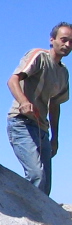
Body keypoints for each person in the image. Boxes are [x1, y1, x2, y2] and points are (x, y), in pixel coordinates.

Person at [6, 22, 72, 195]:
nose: (67, 45)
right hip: (22, 123)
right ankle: (23, 210)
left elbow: (55, 105)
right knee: (36, 175)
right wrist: (23, 102)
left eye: (71, 42)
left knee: (45, 185)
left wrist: (55, 138)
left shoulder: (64, 73)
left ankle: (34, 211)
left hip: (42, 129)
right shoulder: (39, 56)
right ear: (52, 40)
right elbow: (12, 80)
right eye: (63, 40)